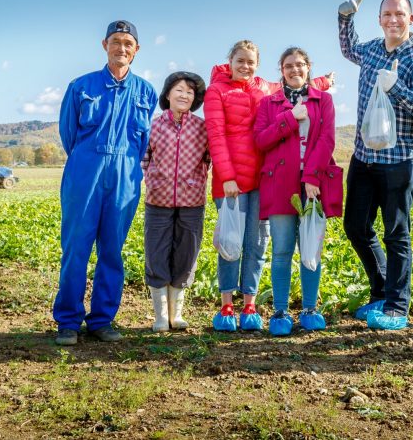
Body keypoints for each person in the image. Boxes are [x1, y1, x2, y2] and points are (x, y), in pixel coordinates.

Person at [204, 40, 334, 332]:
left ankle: (261, 305)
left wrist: (325, 80)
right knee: (237, 245)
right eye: (240, 60)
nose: (245, 66)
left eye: (250, 61)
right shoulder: (227, 93)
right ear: (230, 60)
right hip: (243, 182)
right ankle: (245, 308)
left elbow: (323, 133)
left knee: (264, 245)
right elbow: (231, 137)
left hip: (275, 183)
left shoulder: (268, 91)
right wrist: (226, 176)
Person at [54, 20, 158, 345]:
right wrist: (91, 159)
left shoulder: (146, 92)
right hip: (84, 175)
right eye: (116, 41)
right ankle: (68, 322)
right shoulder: (81, 87)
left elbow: (144, 143)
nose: (122, 48)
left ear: (136, 50)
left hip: (125, 178)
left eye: (128, 43)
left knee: (112, 250)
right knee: (76, 248)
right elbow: (68, 134)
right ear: (105, 45)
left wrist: (123, 165)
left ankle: (101, 320)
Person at [337, 0, 413, 331]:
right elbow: (349, 49)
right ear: (379, 19)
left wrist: (395, 89)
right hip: (364, 155)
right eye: (387, 14)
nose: (393, 20)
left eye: (400, 14)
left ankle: (396, 305)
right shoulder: (372, 49)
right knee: (356, 226)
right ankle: (380, 291)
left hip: (401, 157)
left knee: (396, 232)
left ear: (411, 19)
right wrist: (345, 18)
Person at [253, 47, 342, 336]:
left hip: (313, 186)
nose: (295, 69)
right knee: (281, 251)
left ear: (308, 68)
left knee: (310, 249)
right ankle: (280, 311)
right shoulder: (269, 104)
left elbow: (327, 139)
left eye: (300, 64)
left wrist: (312, 177)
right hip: (279, 185)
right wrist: (291, 118)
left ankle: (309, 308)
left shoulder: (323, 100)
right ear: (281, 69)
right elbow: (261, 140)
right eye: (289, 65)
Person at [142, 71, 209, 332]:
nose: (184, 95)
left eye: (190, 92)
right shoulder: (154, 125)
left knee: (186, 254)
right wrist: (153, 180)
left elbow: (209, 157)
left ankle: (176, 314)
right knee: (156, 252)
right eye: (179, 90)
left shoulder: (202, 126)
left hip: (192, 200)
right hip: (157, 200)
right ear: (167, 94)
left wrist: (199, 179)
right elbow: (144, 157)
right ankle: (160, 316)